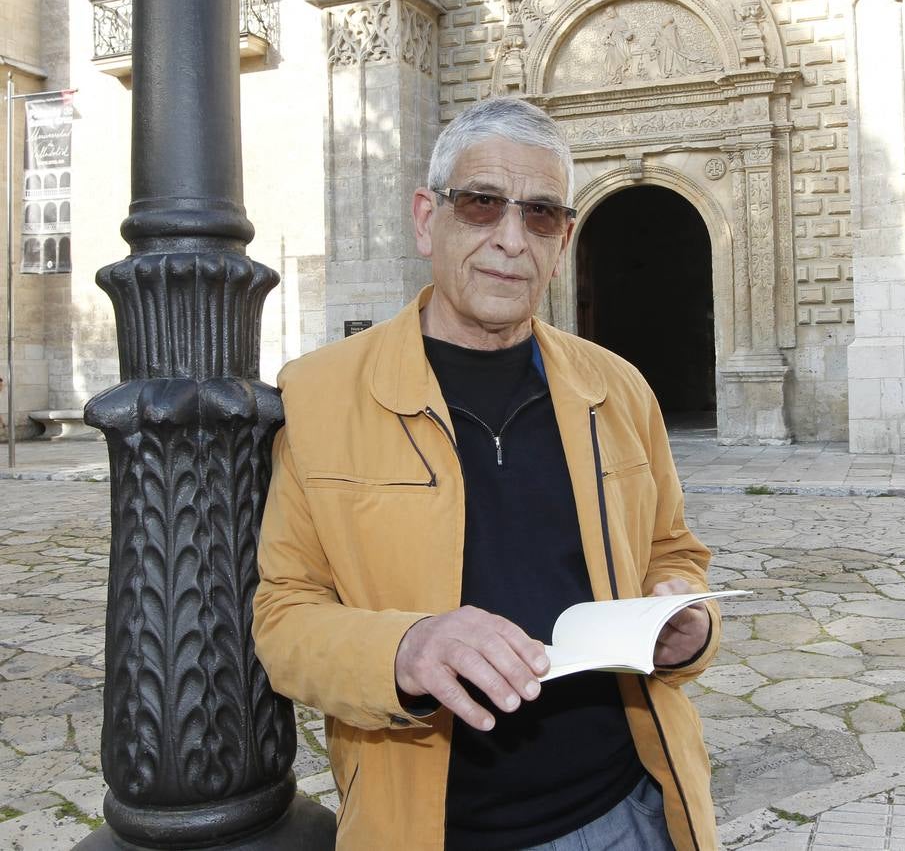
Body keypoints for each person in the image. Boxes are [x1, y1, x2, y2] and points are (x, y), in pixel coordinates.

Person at [252, 97, 722, 850]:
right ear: (425, 217)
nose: (511, 239)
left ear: (563, 240)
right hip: (434, 829)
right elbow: (283, 618)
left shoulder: (621, 389)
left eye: (540, 215)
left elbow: (675, 554)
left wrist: (688, 624)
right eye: (481, 204)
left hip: (630, 812)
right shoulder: (319, 395)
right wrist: (405, 649)